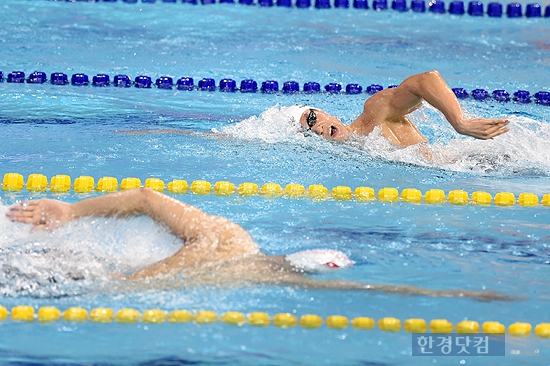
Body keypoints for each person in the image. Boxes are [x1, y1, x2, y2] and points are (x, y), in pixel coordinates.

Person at [6, 188, 513, 301]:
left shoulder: (239, 250)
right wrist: (452, 299)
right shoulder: (234, 251)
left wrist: (74, 211)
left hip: (87, 271)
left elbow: (142, 197)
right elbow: (370, 288)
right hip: (89, 277)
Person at [286, 70, 510, 147]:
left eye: (312, 118)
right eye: (309, 131)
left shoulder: (372, 115)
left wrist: (460, 123)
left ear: (327, 112)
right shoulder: (359, 148)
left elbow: (425, 80)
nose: (317, 128)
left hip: (478, 161)